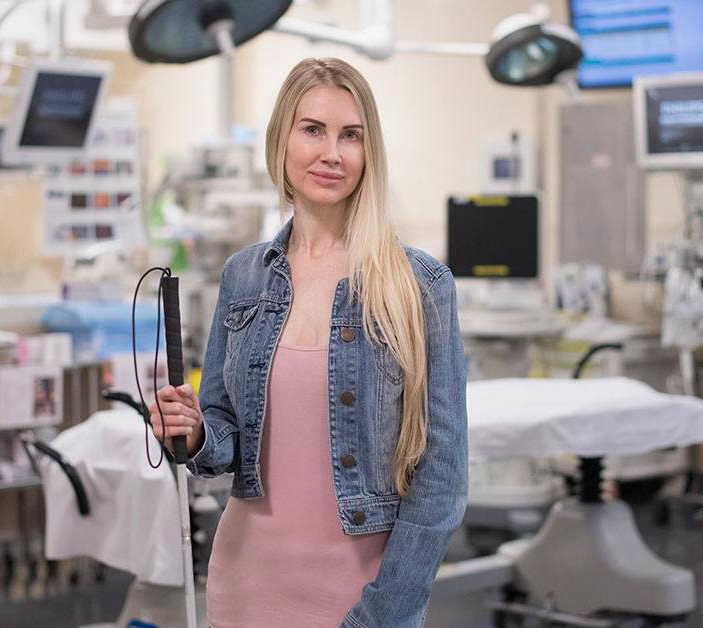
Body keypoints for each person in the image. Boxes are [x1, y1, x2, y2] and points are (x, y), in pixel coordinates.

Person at [149, 56, 468, 628]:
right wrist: (196, 431)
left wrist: (383, 614)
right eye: (313, 130)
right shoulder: (242, 276)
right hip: (247, 585)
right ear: (282, 141)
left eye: (351, 135)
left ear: (370, 154)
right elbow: (225, 435)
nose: (332, 153)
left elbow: (441, 484)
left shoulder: (419, 285)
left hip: (362, 596)